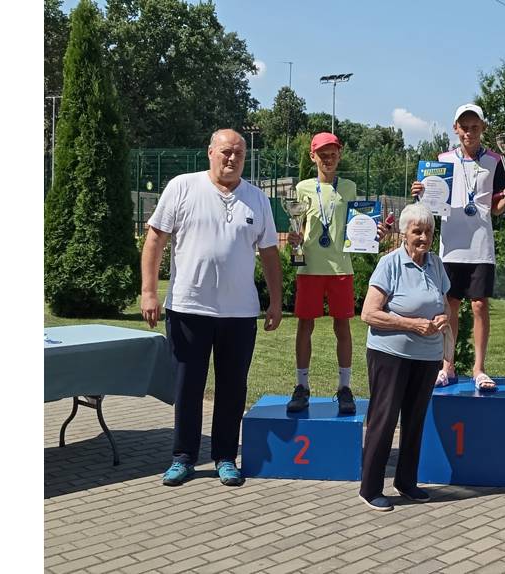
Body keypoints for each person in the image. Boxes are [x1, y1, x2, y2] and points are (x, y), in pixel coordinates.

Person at [141, 129, 283, 487]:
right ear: (210, 153)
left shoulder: (257, 199)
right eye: (225, 151)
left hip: (239, 313)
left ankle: (224, 456)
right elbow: (156, 238)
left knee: (233, 388)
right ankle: (183, 457)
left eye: (238, 153)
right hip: (189, 308)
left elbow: (269, 253)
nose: (231, 158)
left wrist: (276, 301)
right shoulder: (182, 187)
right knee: (188, 387)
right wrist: (148, 292)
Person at [410, 103, 505, 392]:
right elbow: (432, 204)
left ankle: (479, 369)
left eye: (474, 127)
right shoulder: (443, 159)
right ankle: (448, 365)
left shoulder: (495, 160)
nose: (469, 132)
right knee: (450, 307)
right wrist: (421, 194)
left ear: (482, 128)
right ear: (455, 128)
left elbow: (495, 209)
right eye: (464, 126)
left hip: (481, 246)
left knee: (480, 306)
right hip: (451, 245)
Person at [285, 132, 392, 415]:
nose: (328, 158)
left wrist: (375, 233)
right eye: (322, 154)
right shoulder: (303, 188)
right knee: (304, 327)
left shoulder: (349, 187)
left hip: (340, 269)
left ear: (340, 154)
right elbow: (299, 226)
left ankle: (345, 388)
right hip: (309, 268)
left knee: (342, 328)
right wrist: (295, 239)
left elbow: (357, 224)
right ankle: (301, 386)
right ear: (313, 156)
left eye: (333, 153)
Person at [358, 203, 450, 511]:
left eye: (429, 232)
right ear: (404, 233)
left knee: (415, 421)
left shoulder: (436, 264)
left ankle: (406, 481)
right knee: (384, 420)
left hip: (427, 356)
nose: (424, 238)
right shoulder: (390, 264)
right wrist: (411, 324)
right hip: (390, 355)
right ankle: (370, 487)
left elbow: (444, 306)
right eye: (417, 231)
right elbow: (368, 313)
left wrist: (441, 321)